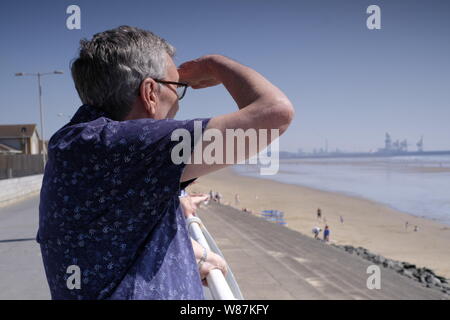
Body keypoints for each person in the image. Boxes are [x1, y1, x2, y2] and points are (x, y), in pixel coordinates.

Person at [36, 25, 294, 300]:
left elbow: (125, 230)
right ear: (149, 92)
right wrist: (215, 64)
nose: (179, 104)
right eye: (177, 88)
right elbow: (274, 114)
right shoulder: (123, 146)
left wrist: (192, 256)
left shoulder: (83, 144)